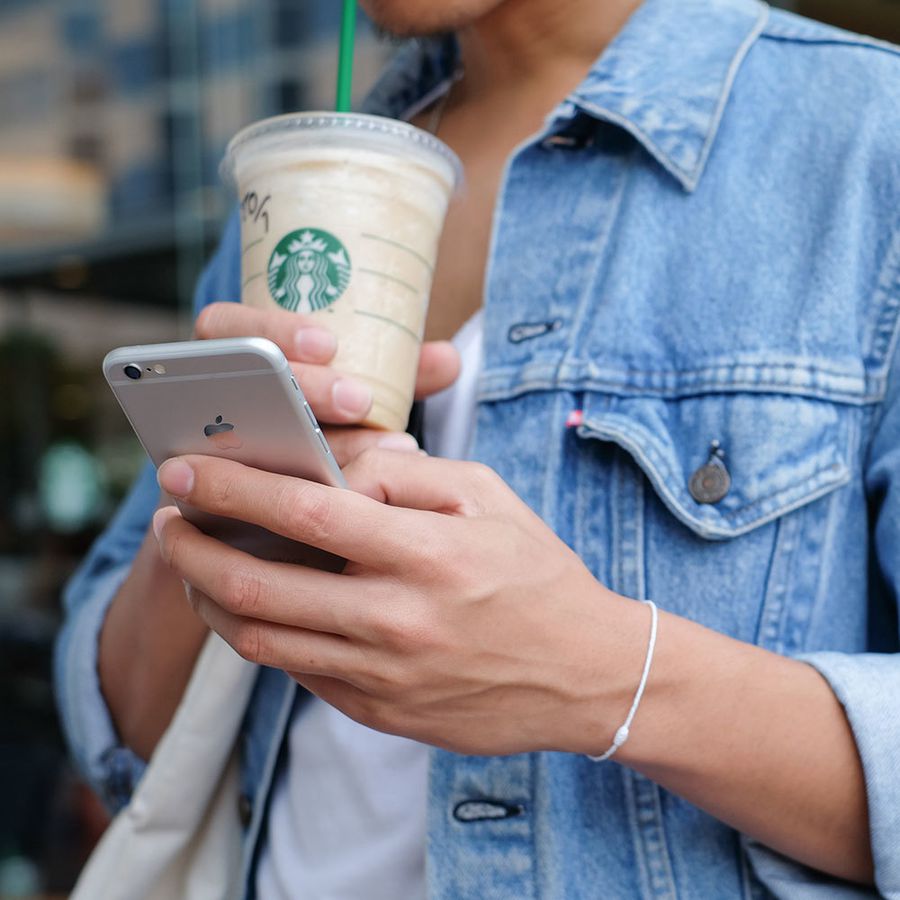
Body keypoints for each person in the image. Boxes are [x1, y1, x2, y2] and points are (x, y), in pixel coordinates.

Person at [56, 0, 900, 896]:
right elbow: (126, 736)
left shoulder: (864, 139)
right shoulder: (298, 194)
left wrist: (602, 675)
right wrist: (220, 500)